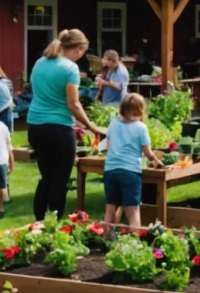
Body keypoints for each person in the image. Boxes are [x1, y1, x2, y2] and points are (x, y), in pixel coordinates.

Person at [27, 29, 107, 221]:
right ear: (79, 49)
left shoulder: (39, 63)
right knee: (60, 180)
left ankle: (38, 223)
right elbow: (74, 104)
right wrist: (92, 126)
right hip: (58, 129)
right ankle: (55, 227)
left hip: (35, 126)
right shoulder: (70, 69)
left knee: (46, 177)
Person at [102, 93, 162, 228]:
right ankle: (134, 243)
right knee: (132, 212)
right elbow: (147, 152)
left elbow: (108, 146)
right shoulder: (140, 127)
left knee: (110, 210)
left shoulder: (113, 123)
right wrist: (156, 160)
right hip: (130, 172)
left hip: (110, 170)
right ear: (140, 110)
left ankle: (104, 240)